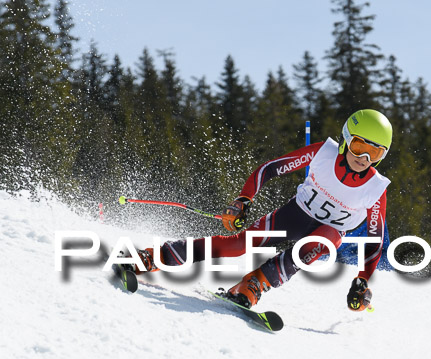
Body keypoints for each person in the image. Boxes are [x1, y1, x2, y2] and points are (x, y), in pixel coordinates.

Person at [133, 109, 392, 312]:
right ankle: (155, 257)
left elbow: (374, 240)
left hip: (329, 232)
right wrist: (243, 200)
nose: (364, 159)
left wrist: (362, 281)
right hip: (296, 214)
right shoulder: (322, 153)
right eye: (360, 147)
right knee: (237, 245)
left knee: (319, 243)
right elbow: (269, 168)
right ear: (347, 138)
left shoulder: (376, 188)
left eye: (375, 152)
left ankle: (254, 284)